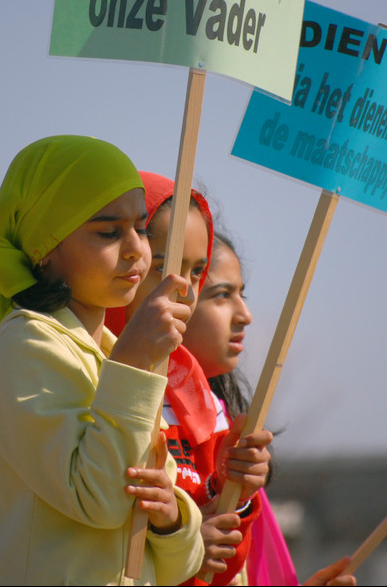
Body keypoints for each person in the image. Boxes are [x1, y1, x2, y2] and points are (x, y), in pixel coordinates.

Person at [0, 136, 203, 585]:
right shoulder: (23, 346)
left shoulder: (115, 352)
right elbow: (99, 499)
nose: (135, 247)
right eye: (109, 232)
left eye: (142, 227)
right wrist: (132, 363)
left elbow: (179, 566)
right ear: (46, 247)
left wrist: (172, 518)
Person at [103, 173, 272, 587]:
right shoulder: (81, 376)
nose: (184, 291)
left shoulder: (204, 407)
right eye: (161, 267)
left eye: (196, 272)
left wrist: (236, 492)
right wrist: (185, 542)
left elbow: (222, 568)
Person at [192, 231, 356, 587]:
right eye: (221, 295)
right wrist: (183, 544)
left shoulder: (224, 417)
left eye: (241, 294)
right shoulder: (137, 414)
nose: (245, 315)